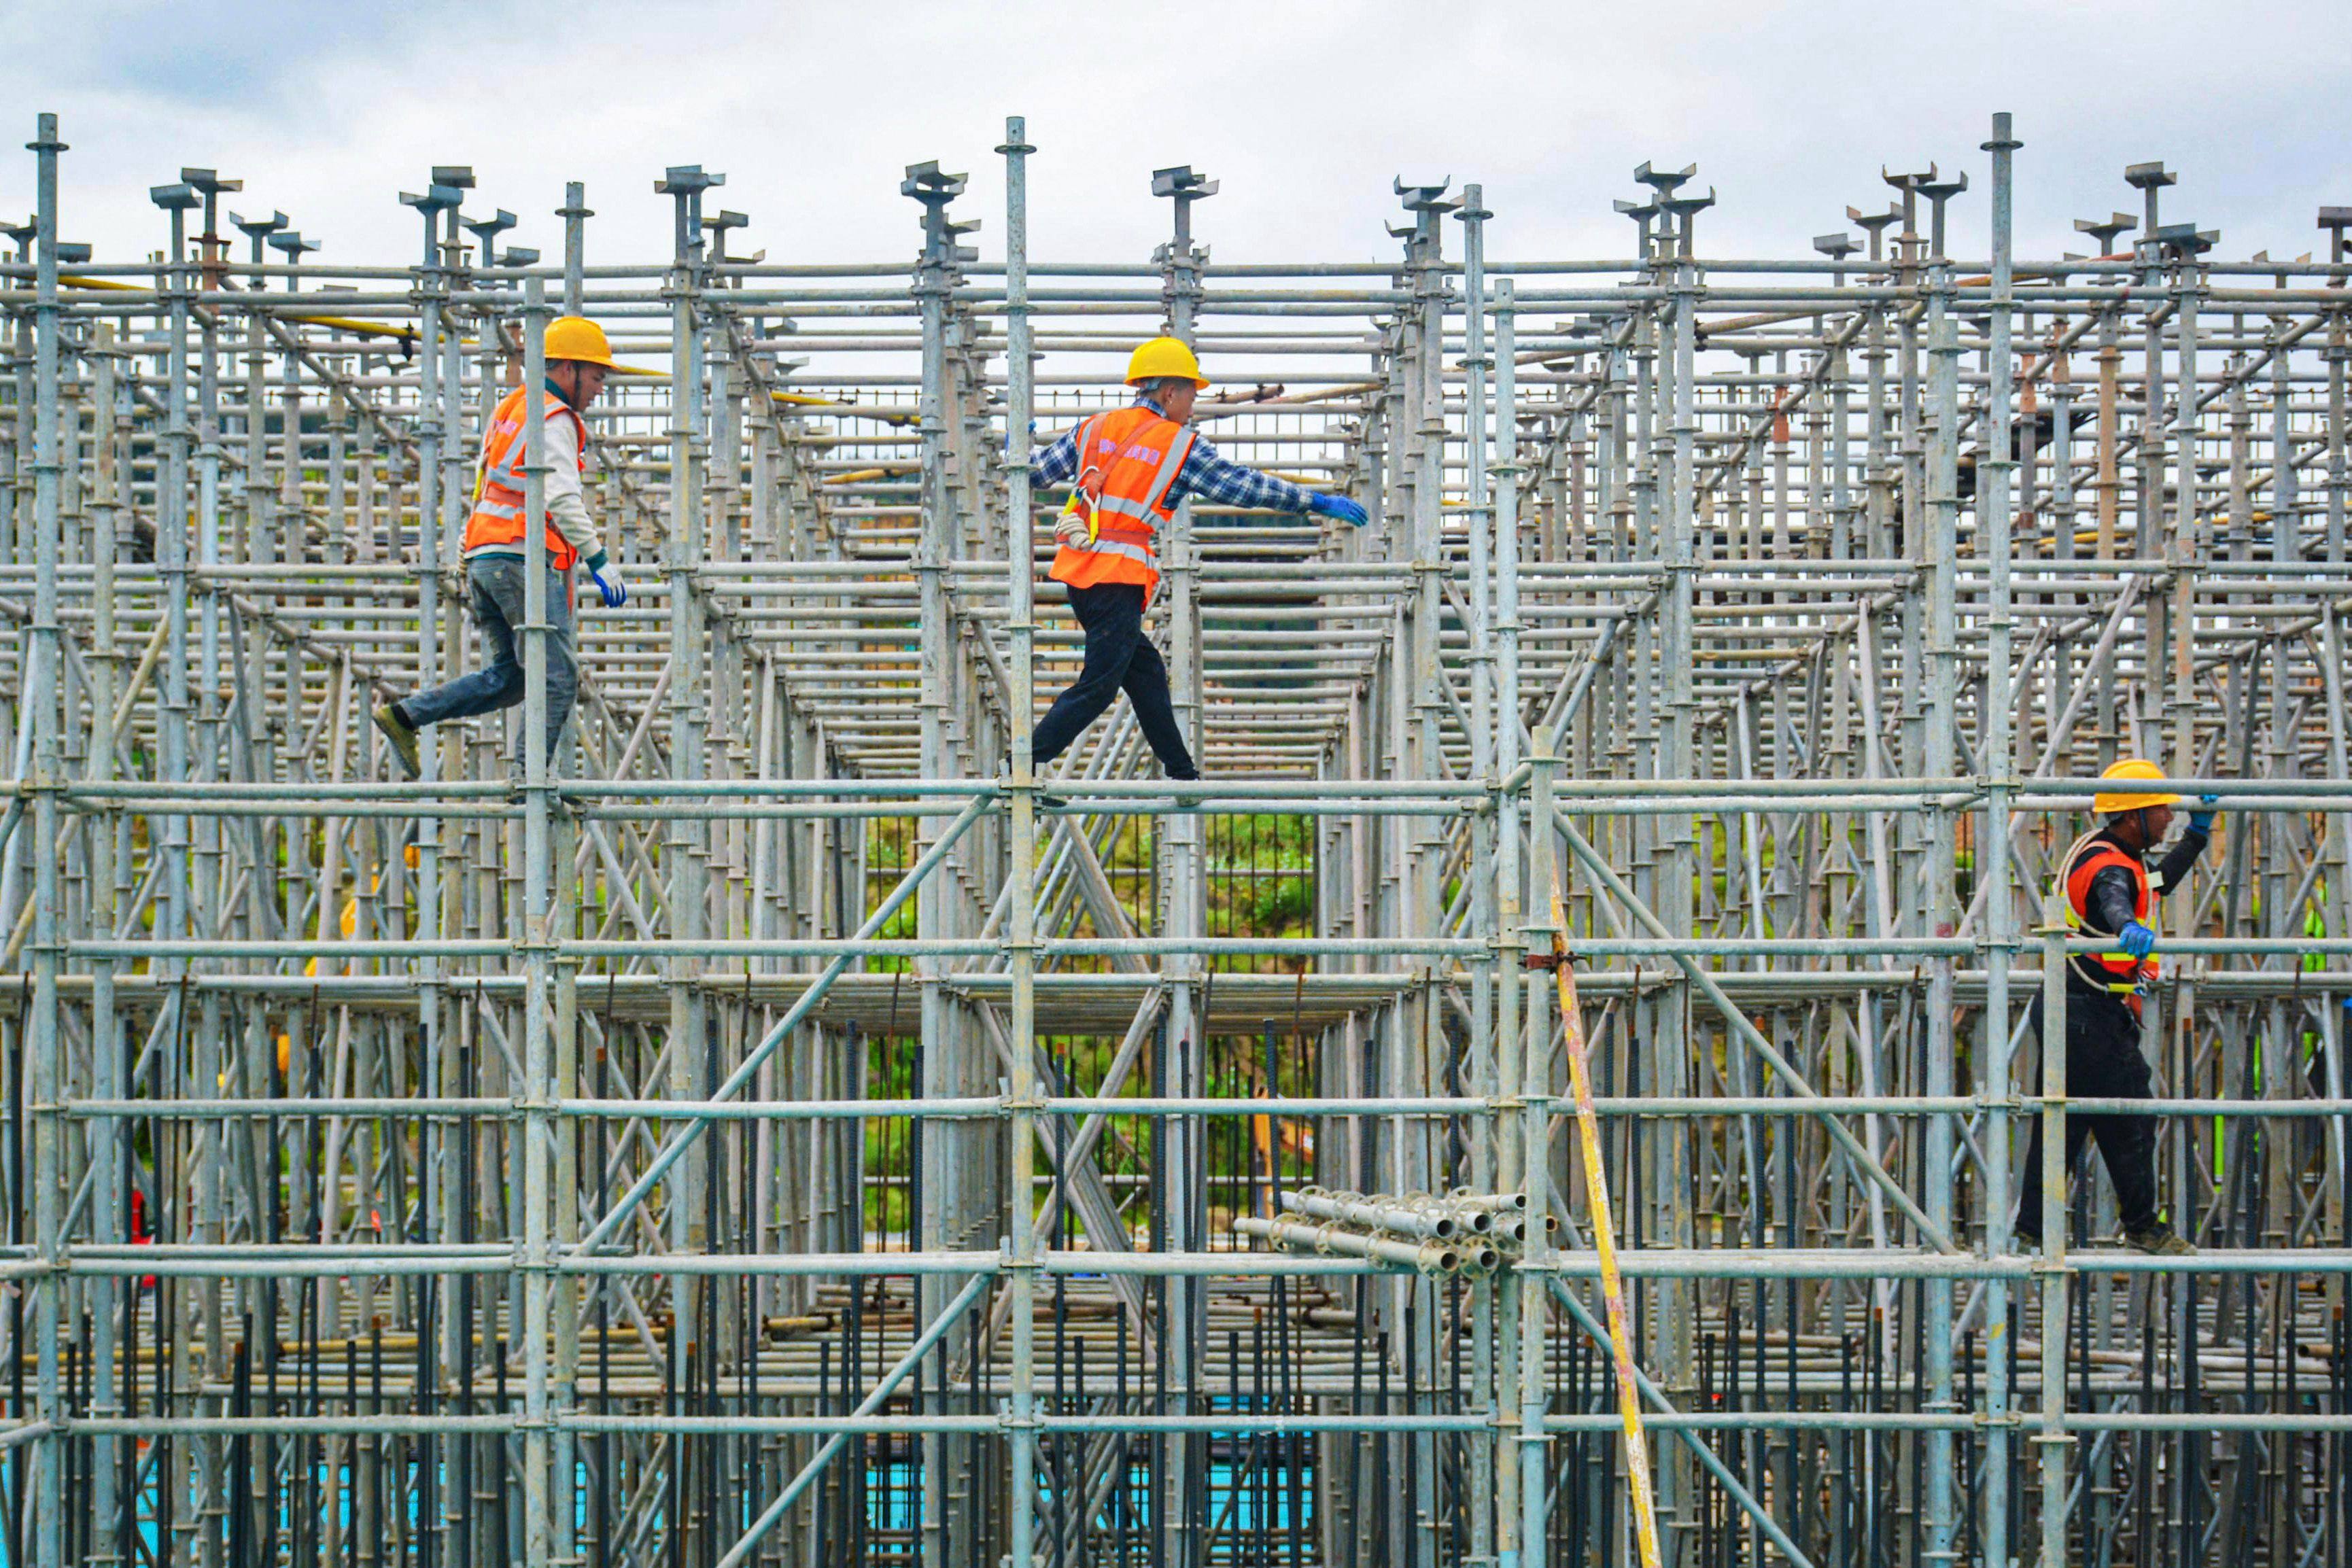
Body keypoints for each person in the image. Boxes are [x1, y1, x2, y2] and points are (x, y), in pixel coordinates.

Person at [1018, 336, 1368, 782]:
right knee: (1099, 686)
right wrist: (1313, 502)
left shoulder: (1094, 427)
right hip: (1117, 576)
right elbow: (1244, 487)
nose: (1194, 405)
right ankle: (1022, 762)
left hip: (1080, 572)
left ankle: (1182, 772)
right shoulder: (1178, 444)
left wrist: (1017, 448)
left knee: (1144, 672)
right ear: (1169, 393)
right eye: (1192, 394)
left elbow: (1036, 473)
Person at [373, 317, 629, 779]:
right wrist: (599, 560)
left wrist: (466, 557)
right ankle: (528, 780)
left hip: (486, 558)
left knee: (510, 678)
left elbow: (483, 483)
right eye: (596, 377)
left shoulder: (510, 408)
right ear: (567, 369)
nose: (599, 390)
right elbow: (561, 497)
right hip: (520, 558)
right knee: (557, 678)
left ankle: (407, 714)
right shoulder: (553, 417)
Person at [2015, 757, 2217, 1255]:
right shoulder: (2109, 866)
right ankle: (2144, 1225)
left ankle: (2032, 1228)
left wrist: (2197, 836)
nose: (2169, 818)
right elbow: (2114, 899)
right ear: (2133, 816)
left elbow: (2156, 885)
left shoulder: (2116, 854)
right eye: (2162, 811)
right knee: (2129, 1113)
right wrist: (2126, 926)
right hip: (2090, 1013)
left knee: (2063, 1120)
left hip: (2073, 1007)